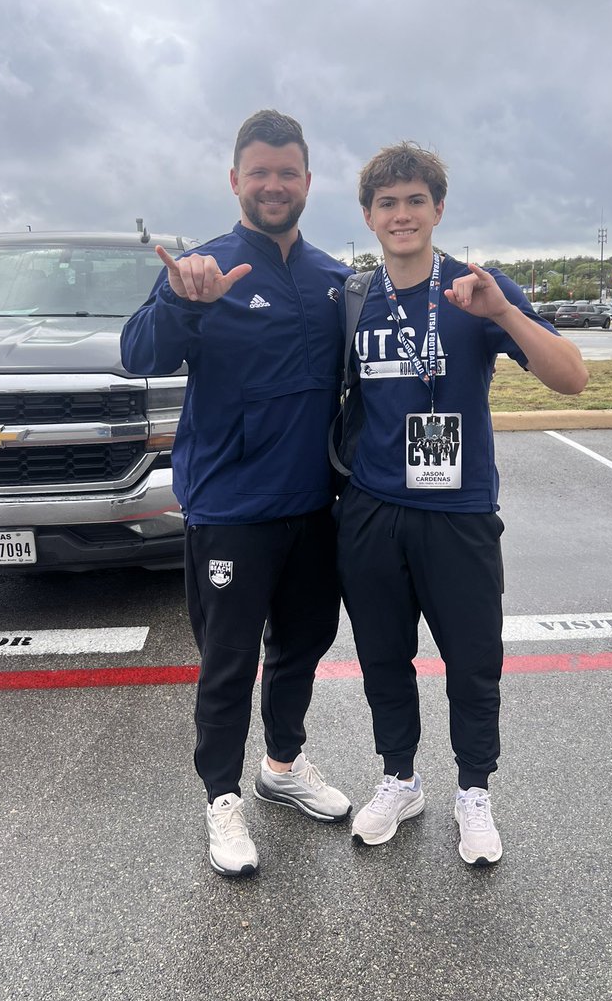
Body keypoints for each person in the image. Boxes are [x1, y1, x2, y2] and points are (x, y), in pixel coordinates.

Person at [334, 143, 588, 865]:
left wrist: (504, 311)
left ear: (439, 209)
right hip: (373, 511)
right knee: (384, 658)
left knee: (473, 662)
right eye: (388, 203)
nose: (402, 214)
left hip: (460, 512)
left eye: (416, 200)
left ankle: (473, 791)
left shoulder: (479, 289)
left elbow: (573, 378)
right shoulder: (353, 298)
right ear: (368, 216)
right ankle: (400, 778)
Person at [121, 110, 352, 878]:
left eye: (288, 172)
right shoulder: (201, 268)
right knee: (227, 662)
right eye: (260, 172)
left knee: (303, 646)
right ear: (235, 180)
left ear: (308, 182)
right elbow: (137, 354)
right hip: (230, 511)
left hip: (313, 509)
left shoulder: (330, 279)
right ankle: (222, 797)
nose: (274, 185)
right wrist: (182, 301)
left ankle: (282, 767)